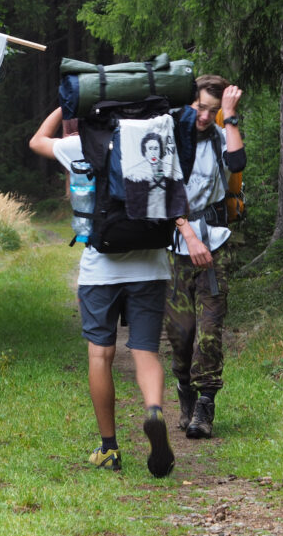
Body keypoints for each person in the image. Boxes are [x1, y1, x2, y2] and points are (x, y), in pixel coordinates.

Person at [29, 107, 175, 478]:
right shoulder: (157, 137)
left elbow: (37, 141)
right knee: (145, 350)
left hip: (100, 267)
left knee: (100, 353)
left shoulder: (83, 144)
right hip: (151, 263)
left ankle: (109, 448)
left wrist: (64, 106)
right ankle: (154, 410)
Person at [167, 75, 246, 439]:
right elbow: (162, 192)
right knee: (181, 334)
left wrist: (229, 116)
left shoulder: (220, 136)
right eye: (200, 107)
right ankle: (184, 388)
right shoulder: (171, 137)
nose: (204, 116)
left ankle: (205, 405)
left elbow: (238, 161)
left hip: (216, 244)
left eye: (211, 110)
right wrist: (188, 234)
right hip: (178, 246)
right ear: (189, 104)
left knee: (210, 330)